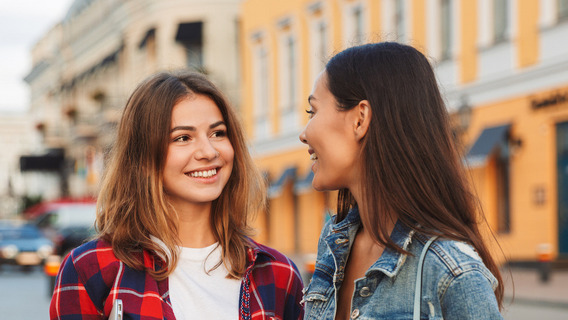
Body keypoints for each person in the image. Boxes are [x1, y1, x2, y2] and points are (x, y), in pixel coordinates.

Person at [50, 71, 304, 320]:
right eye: (183, 138)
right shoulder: (91, 268)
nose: (208, 151)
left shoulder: (278, 273)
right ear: (143, 157)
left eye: (218, 133)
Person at [299, 42, 504, 320]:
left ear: (360, 119)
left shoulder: (452, 271)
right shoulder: (334, 245)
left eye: (313, 112)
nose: (304, 133)